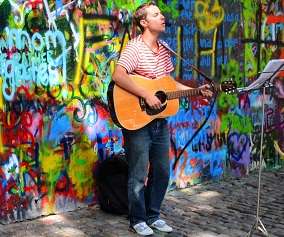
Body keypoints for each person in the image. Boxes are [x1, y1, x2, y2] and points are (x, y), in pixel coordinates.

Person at [111, 2, 213, 236]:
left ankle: (152, 215)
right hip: (136, 118)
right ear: (144, 23)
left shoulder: (164, 48)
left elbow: (167, 85)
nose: (162, 17)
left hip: (159, 120)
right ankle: (137, 219)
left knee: (162, 171)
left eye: (161, 13)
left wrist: (196, 90)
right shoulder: (135, 48)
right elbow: (118, 75)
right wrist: (146, 94)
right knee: (138, 173)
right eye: (156, 14)